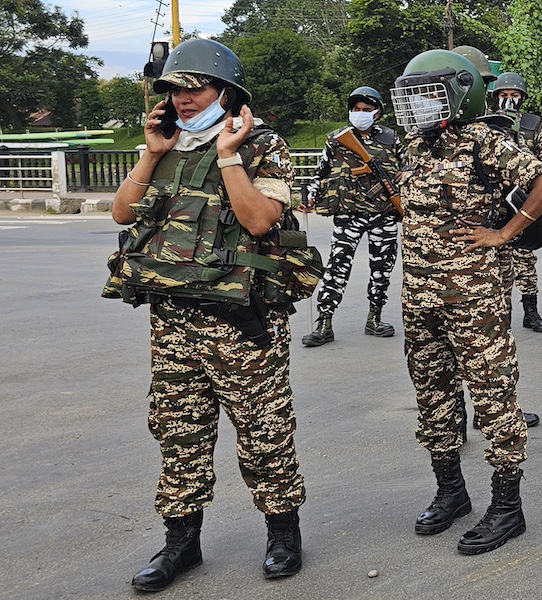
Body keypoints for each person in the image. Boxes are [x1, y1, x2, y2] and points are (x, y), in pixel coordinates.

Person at [107, 38, 305, 591]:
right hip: (173, 322)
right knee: (178, 434)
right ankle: (180, 544)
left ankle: (283, 534)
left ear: (226, 92)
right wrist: (149, 152)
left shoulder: (263, 145)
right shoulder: (166, 146)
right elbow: (123, 212)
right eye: (174, 89)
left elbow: (262, 220)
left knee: (264, 433)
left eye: (195, 88)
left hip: (242, 323)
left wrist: (227, 156)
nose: (184, 99)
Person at [391, 49, 542, 553]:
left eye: (427, 94)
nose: (416, 105)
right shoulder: (416, 145)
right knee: (434, 400)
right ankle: (451, 494)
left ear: (459, 95)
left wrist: (505, 232)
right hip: (419, 298)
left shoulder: (485, 139)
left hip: (472, 300)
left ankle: (508, 508)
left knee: (493, 399)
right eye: (411, 96)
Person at [300, 86, 400, 346]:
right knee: (337, 267)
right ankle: (324, 323)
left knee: (382, 268)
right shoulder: (336, 139)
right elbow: (319, 175)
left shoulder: (391, 139)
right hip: (349, 214)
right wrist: (309, 194)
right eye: (355, 110)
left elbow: (408, 169)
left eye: (366, 110)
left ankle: (374, 318)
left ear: (377, 113)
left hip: (383, 214)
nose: (360, 114)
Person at [492, 71, 542, 337]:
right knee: (497, 258)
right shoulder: (488, 123)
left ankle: (530, 310)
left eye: (514, 95)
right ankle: (501, 311)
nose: (509, 100)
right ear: (496, 97)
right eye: (504, 95)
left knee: (524, 257)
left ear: (522, 98)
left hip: (528, 197)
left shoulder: (533, 124)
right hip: (498, 199)